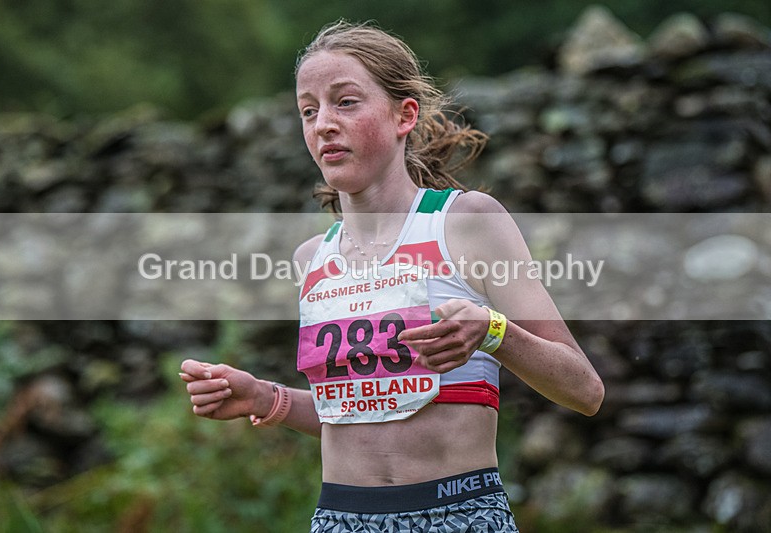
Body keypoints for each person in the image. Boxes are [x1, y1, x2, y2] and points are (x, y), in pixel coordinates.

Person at [181, 20, 604, 532]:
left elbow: (584, 390)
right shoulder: (312, 259)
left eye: (346, 102)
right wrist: (267, 399)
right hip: (340, 519)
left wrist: (494, 332)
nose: (323, 125)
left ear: (404, 115)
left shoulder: (467, 222)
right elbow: (362, 416)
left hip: (458, 515)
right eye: (308, 111)